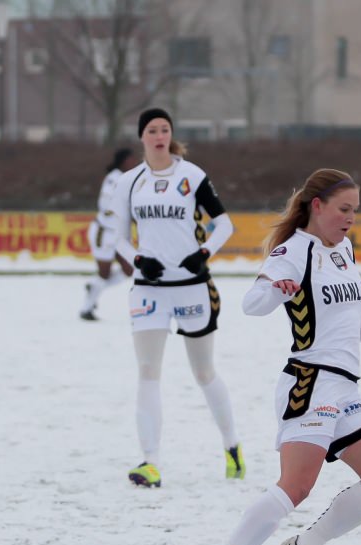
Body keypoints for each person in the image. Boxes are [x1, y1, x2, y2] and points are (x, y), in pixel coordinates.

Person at [193, 169, 361, 545]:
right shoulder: (293, 252)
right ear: (318, 206)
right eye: (344, 210)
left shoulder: (343, 249)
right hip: (310, 384)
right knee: (295, 487)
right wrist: (277, 289)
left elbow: (355, 312)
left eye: (355, 211)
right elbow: (252, 304)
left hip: (345, 389)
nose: (351, 219)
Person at [103, 108, 243, 487]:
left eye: (165, 129)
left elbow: (224, 224)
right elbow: (116, 236)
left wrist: (203, 254)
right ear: (142, 137)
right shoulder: (129, 182)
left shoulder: (191, 175)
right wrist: (137, 260)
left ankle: (232, 447)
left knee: (203, 372)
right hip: (149, 290)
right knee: (148, 372)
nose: (160, 135)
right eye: (152, 130)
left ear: (170, 135)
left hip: (193, 288)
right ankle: (150, 462)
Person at [79, 147, 137, 320]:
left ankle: (94, 287)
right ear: (123, 161)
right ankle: (86, 309)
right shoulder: (113, 179)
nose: (134, 162)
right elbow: (108, 205)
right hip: (104, 233)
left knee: (131, 270)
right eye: (131, 159)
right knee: (104, 273)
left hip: (119, 234)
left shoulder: (128, 178)